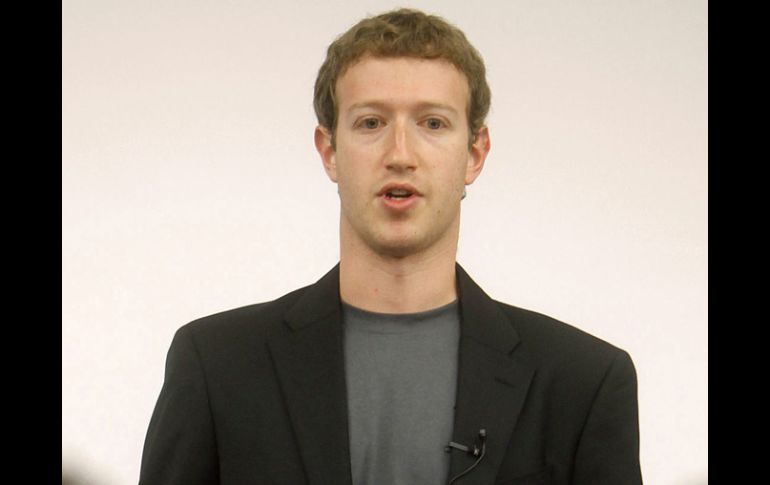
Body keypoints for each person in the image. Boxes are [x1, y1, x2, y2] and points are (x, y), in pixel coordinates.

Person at [139, 8, 642, 485]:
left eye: (433, 123)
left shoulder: (584, 382)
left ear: (475, 153)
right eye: (371, 123)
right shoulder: (217, 366)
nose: (400, 154)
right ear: (329, 151)